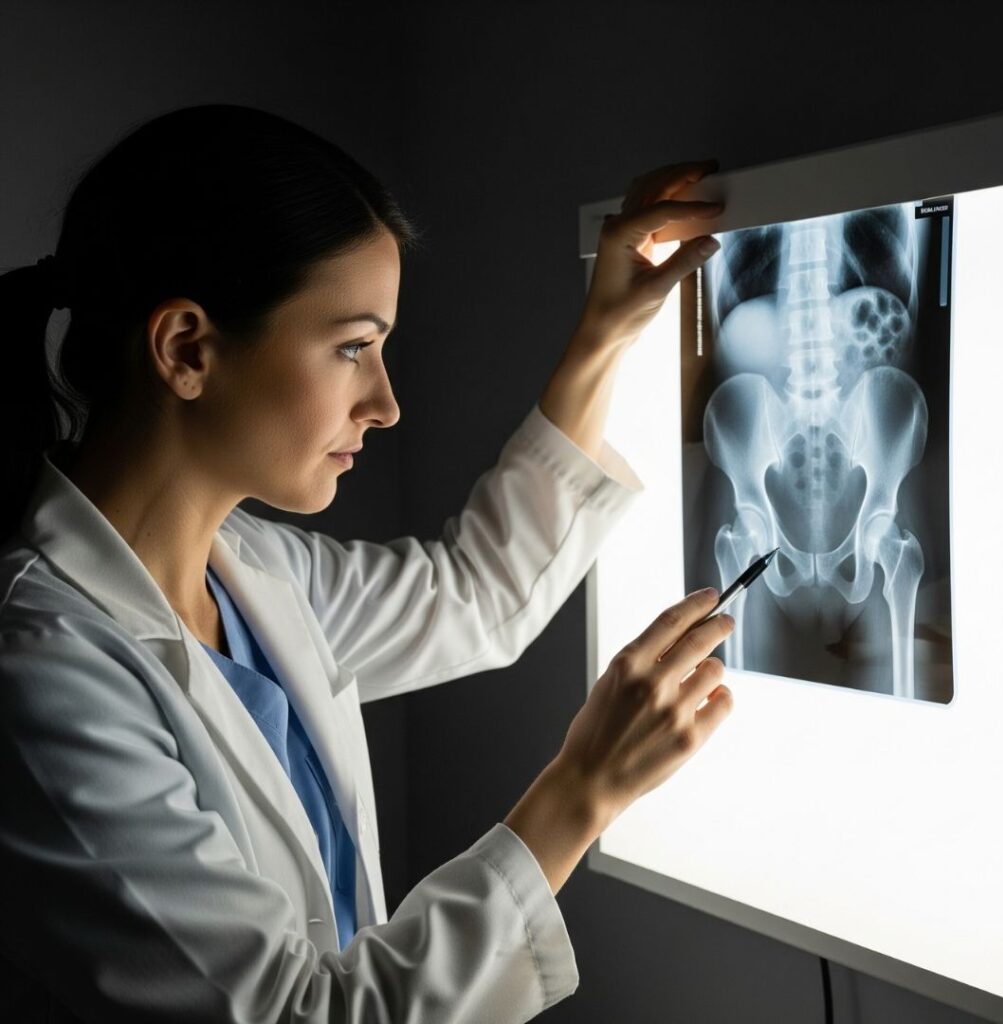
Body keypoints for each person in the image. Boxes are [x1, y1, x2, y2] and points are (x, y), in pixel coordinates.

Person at [0, 103, 733, 1023]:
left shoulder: (253, 569)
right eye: (353, 348)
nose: (385, 403)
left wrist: (605, 335)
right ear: (188, 348)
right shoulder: (41, 670)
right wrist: (580, 792)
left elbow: (477, 594)